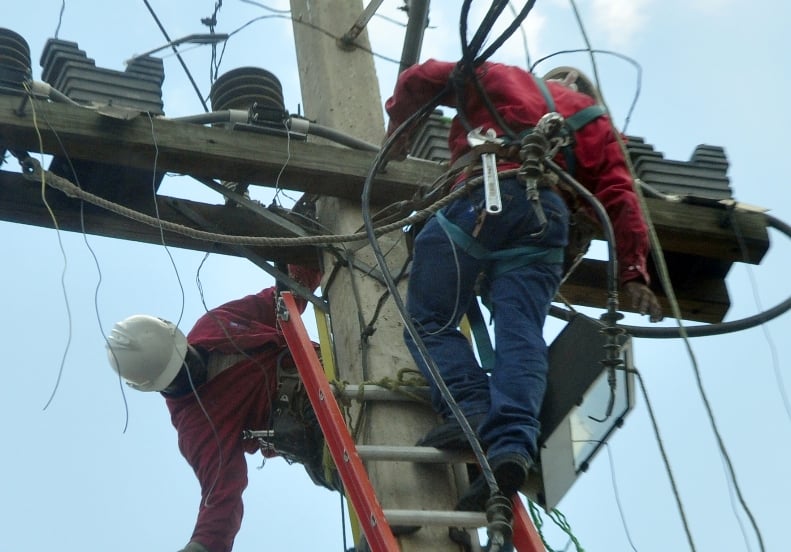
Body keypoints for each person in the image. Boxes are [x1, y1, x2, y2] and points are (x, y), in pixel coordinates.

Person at [384, 59, 664, 511]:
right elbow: (619, 194)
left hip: (485, 194)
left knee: (429, 321)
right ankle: (513, 441)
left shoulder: (502, 77)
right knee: (521, 333)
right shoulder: (597, 124)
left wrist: (399, 127)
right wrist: (632, 271)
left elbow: (421, 77)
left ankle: (472, 412)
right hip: (545, 220)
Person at [106, 265, 339, 552]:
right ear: (155, 386)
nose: (190, 372)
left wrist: (304, 260)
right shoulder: (195, 426)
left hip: (335, 371)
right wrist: (201, 546)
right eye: (177, 377)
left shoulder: (213, 325)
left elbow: (280, 302)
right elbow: (221, 496)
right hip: (317, 432)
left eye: (185, 360)